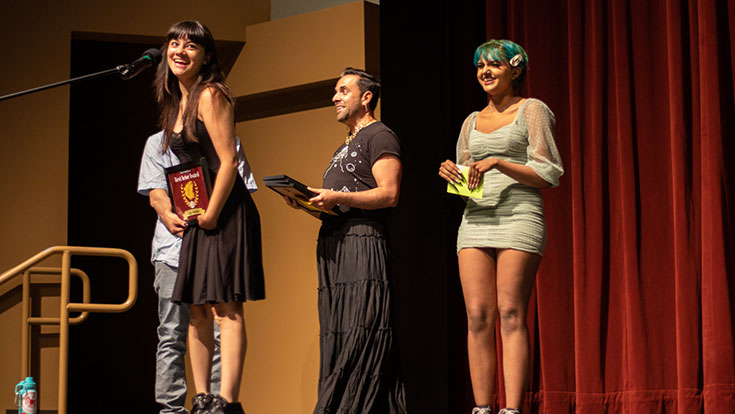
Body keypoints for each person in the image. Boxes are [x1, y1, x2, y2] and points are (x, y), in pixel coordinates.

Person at [438, 40, 564, 414]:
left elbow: (549, 172)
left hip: (519, 215)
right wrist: (453, 177)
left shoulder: (533, 110)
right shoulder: (470, 122)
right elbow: (467, 186)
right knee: (477, 316)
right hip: (476, 218)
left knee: (510, 313)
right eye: (480, 66)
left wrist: (499, 162)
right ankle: (481, 408)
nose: (485, 72)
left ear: (516, 70)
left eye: (494, 65)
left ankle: (511, 409)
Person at [153, 20, 265, 414]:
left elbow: (229, 160)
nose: (180, 51)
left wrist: (213, 214)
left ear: (206, 57)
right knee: (198, 308)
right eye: (174, 43)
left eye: (191, 46)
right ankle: (202, 398)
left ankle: (227, 401)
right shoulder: (176, 102)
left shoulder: (211, 95)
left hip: (225, 212)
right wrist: (196, 214)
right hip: (199, 213)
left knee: (224, 307)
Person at [283, 68, 407, 413]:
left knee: (360, 330)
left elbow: (389, 193)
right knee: (339, 333)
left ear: (366, 97)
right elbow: (341, 203)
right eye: (335, 92)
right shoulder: (345, 145)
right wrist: (309, 204)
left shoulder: (380, 135)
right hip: (336, 244)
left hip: (362, 241)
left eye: (342, 90)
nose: (334, 98)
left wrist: (336, 195)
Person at [138, 130, 257, 414]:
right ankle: (172, 410)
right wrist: (168, 214)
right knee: (172, 334)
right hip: (173, 251)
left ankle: (215, 405)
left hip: (215, 246)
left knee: (221, 328)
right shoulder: (157, 142)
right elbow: (156, 192)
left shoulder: (228, 139)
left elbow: (240, 187)